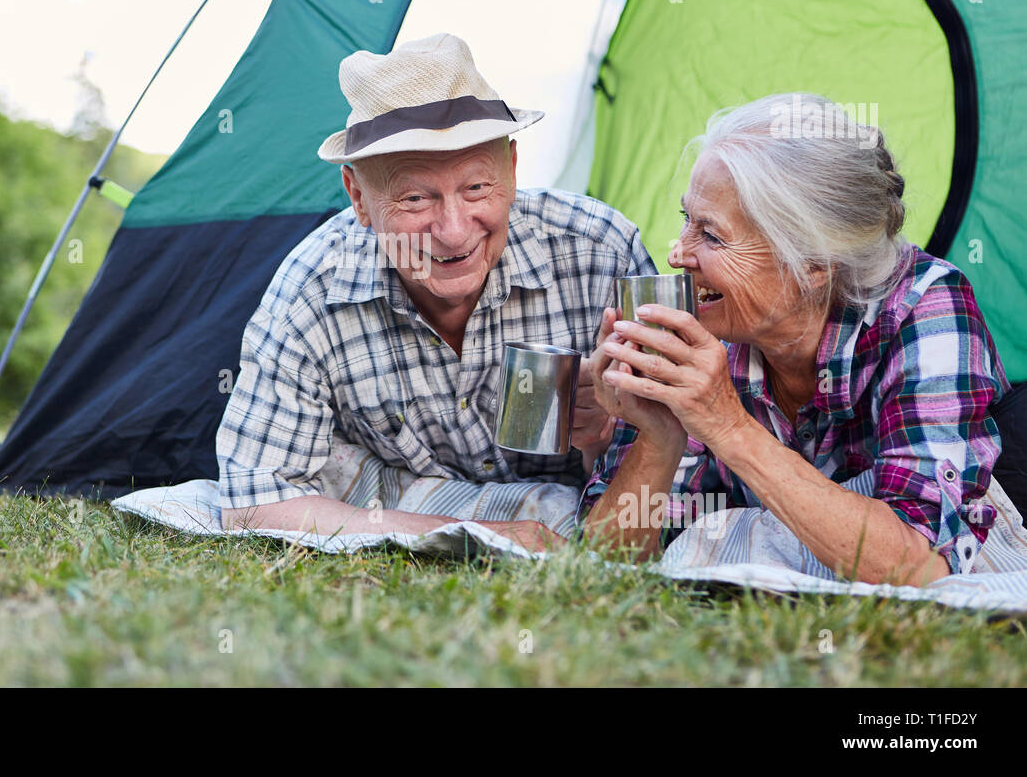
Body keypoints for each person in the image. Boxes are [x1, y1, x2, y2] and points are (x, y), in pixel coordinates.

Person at [216, 32, 654, 551]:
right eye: (416, 197)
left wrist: (604, 440)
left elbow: (685, 459)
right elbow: (253, 499)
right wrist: (478, 534)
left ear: (511, 171)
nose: (452, 231)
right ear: (357, 195)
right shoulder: (313, 289)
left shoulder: (601, 253)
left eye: (476, 188)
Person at [581, 93, 1011, 586]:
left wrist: (727, 424)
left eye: (712, 236)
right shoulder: (707, 333)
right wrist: (660, 433)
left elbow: (921, 565)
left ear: (812, 263)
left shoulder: (925, 308)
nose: (677, 254)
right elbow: (598, 570)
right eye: (686, 219)